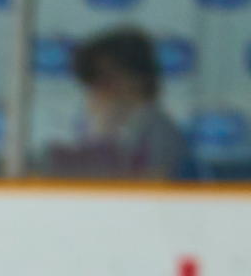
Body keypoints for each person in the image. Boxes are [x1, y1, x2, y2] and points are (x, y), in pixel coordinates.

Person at [45, 26, 187, 180]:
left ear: (137, 78)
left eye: (108, 78)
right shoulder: (105, 126)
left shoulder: (160, 132)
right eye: (93, 80)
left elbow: (152, 185)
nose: (99, 89)